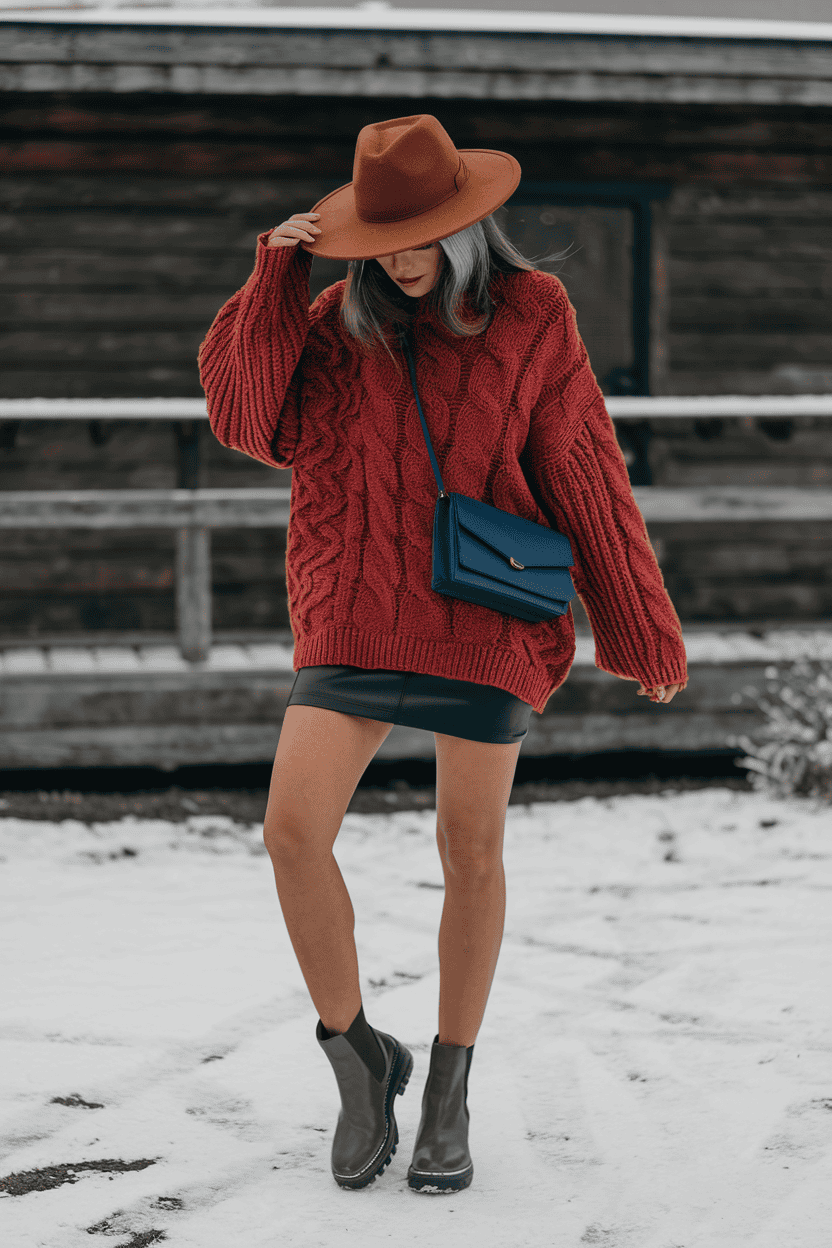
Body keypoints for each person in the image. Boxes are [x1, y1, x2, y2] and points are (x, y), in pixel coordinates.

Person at [198, 114, 686, 1195]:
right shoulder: (329, 320)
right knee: (290, 833)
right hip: (355, 605)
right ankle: (358, 1057)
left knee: (468, 849)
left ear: (469, 223)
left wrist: (636, 620)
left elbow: (581, 464)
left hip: (487, 613)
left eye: (425, 232)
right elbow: (243, 419)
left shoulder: (532, 314)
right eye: (385, 236)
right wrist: (274, 279)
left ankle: (450, 1089)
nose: (405, 255)